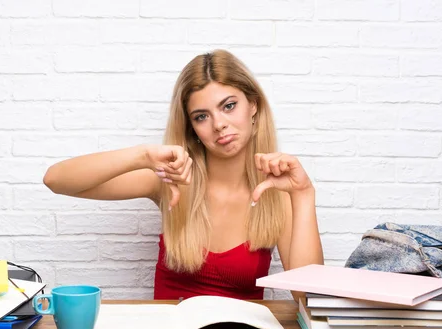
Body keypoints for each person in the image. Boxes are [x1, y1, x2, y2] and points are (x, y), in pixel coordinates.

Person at [43, 49, 323, 300]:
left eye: (228, 106)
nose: (219, 125)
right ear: (192, 128)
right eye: (202, 116)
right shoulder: (171, 181)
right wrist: (142, 156)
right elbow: (56, 180)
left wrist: (303, 193)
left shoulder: (276, 195)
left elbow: (308, 296)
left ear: (253, 106)